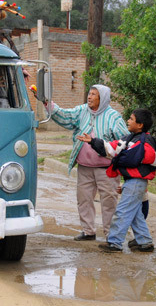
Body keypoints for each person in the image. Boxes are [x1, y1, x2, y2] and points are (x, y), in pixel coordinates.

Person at [44, 85, 129, 240]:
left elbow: (124, 140)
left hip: (107, 169)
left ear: (102, 98)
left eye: (94, 94)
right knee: (83, 199)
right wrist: (48, 103)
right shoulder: (82, 110)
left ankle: (111, 235)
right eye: (89, 94)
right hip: (85, 167)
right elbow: (65, 116)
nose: (89, 97)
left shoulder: (113, 117)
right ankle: (88, 231)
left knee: (109, 201)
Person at [77, 108, 156, 253]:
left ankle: (114, 243)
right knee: (135, 214)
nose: (128, 120)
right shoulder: (130, 138)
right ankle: (145, 242)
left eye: (131, 119)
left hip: (136, 182)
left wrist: (119, 159)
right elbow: (112, 148)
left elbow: (129, 158)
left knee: (122, 212)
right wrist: (93, 141)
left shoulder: (145, 141)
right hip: (132, 182)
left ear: (140, 125)